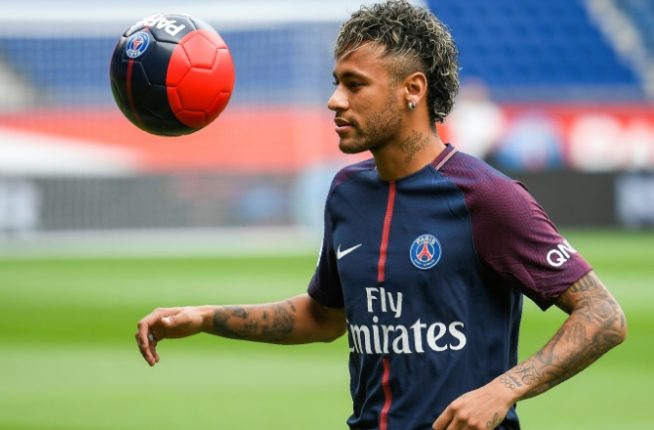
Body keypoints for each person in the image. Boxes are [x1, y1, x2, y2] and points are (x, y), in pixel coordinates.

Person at [134, 1, 627, 429]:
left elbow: (603, 315)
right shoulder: (347, 192)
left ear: (412, 89)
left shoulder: (488, 197)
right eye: (337, 83)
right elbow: (323, 315)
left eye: (355, 85)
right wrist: (206, 318)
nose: (335, 100)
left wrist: (503, 390)